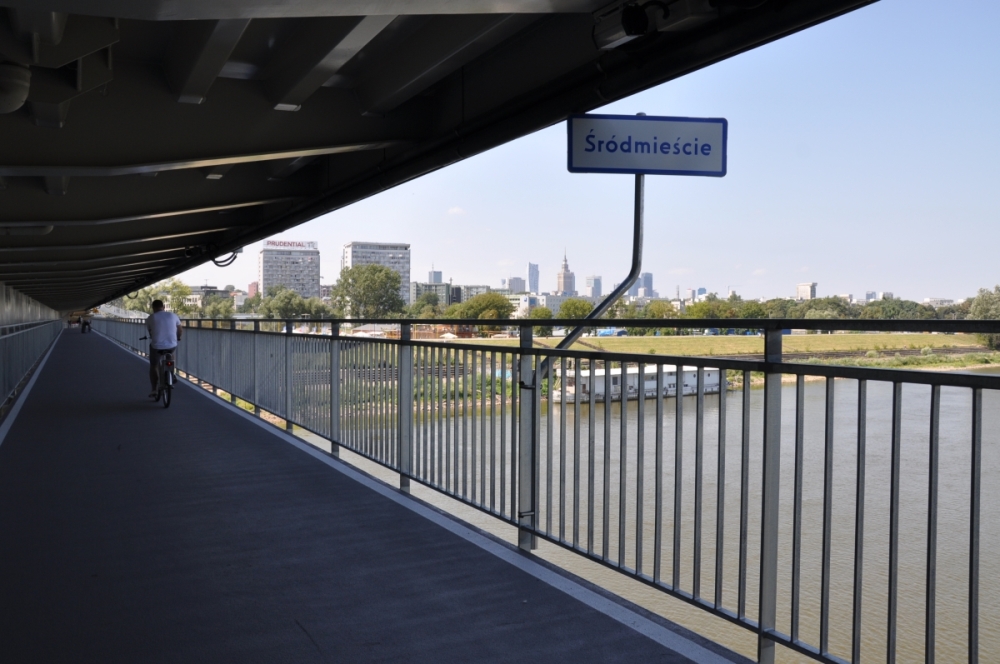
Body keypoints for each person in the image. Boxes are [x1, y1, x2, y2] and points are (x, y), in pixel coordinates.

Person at [145, 299, 182, 398]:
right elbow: (180, 329)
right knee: (170, 354)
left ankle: (154, 389)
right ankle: (171, 373)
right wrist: (178, 338)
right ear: (164, 307)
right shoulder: (173, 315)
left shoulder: (150, 318)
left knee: (154, 365)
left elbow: (150, 332)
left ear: (153, 308)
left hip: (157, 346)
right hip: (172, 344)